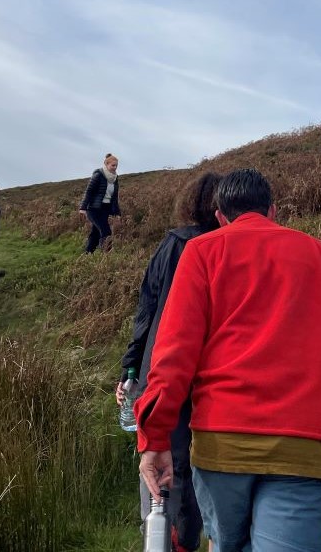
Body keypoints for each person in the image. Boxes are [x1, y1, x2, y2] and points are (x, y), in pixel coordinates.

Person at [136, 168, 321, 552]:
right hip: (307, 447)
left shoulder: (202, 251)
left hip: (221, 446)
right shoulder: (319, 255)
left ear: (220, 216)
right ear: (273, 211)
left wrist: (155, 437)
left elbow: (173, 355)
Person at [118, 172, 222, 552]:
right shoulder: (225, 247)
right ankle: (192, 535)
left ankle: (163, 536)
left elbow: (146, 309)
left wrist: (130, 370)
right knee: (202, 462)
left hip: (162, 366)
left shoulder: (175, 244)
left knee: (164, 457)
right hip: (212, 372)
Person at [78, 154, 121, 254]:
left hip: (105, 209)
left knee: (95, 233)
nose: (115, 168)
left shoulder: (115, 179)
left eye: (116, 166)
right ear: (106, 164)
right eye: (113, 165)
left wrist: (117, 213)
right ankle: (107, 255)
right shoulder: (98, 175)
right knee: (106, 231)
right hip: (93, 209)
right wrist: (83, 208)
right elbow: (89, 191)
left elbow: (114, 198)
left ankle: (88, 254)